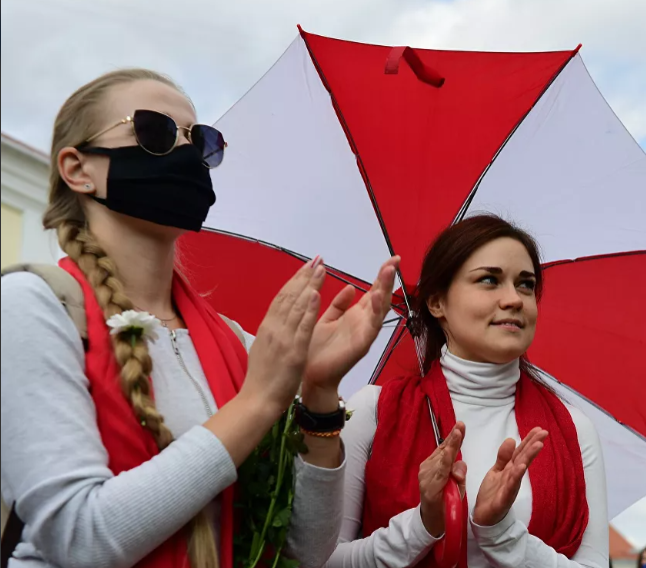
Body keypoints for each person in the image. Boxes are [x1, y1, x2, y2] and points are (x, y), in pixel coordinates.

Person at [1, 69, 399, 568]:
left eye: (201, 141)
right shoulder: (33, 306)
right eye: (154, 132)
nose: (187, 154)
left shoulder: (233, 341)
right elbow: (81, 538)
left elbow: (304, 549)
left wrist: (318, 396)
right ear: (78, 169)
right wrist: (258, 401)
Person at [329, 215, 609, 566]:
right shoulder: (374, 410)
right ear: (437, 303)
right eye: (489, 280)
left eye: (525, 285)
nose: (514, 299)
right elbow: (325, 559)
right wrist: (421, 525)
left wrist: (500, 532)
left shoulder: (571, 429)